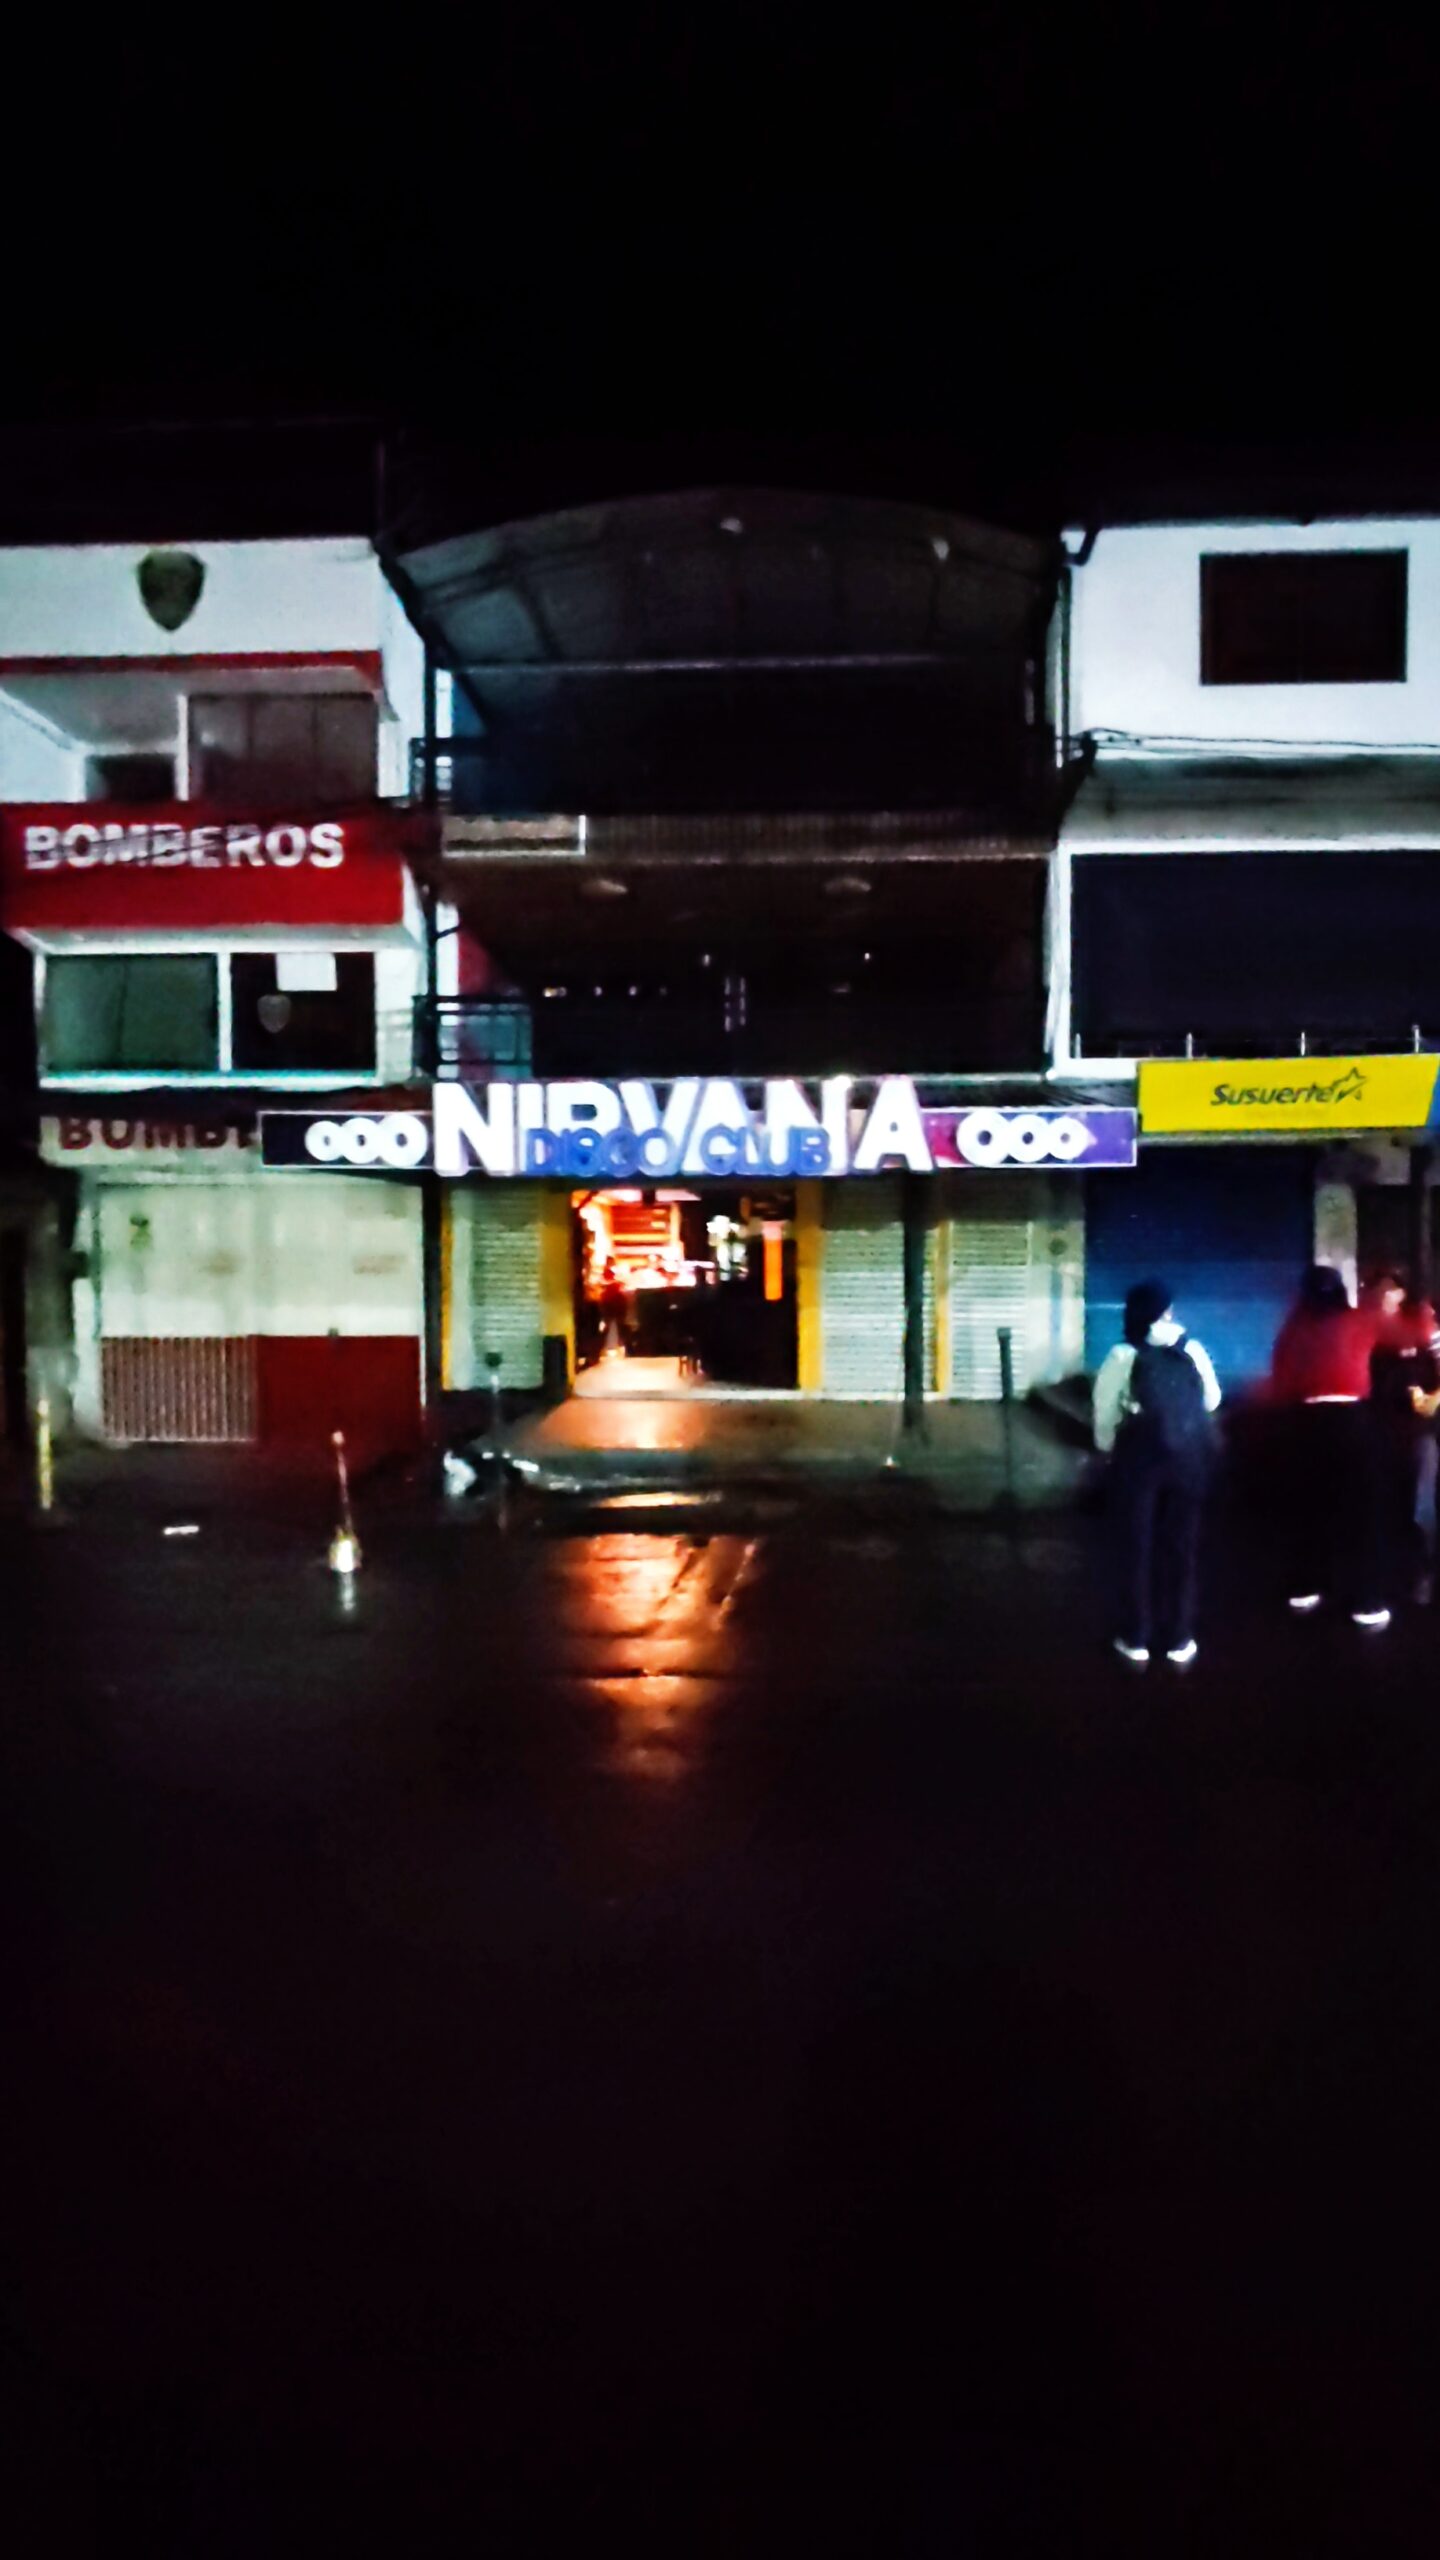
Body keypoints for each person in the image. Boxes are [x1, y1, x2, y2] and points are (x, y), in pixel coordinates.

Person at [1093, 1279, 1222, 1669]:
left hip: (1139, 1460)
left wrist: (1107, 1447)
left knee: (1137, 1547)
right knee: (1180, 1547)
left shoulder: (1123, 1354)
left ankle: (1136, 1638)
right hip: (1188, 1461)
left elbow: (1104, 1412)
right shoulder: (1191, 1349)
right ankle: (1179, 1637)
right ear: (1167, 1312)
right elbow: (1212, 1400)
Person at [1269, 1262, 1389, 1628]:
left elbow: (1281, 1379)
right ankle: (1366, 1601)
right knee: (1363, 1512)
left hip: (1306, 1422)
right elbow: (1397, 1337)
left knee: (1308, 1508)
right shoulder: (1359, 1321)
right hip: (1351, 1420)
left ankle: (1305, 1588)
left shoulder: (1294, 1326)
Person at [1366, 1269, 1440, 1606]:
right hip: (1379, 1429)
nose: (1385, 1294)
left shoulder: (1421, 1328)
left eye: (1392, 1288)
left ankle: (1420, 1574)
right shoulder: (1363, 1329)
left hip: (1417, 1431)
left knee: (1419, 1507)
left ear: (1402, 1294)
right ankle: (1388, 1577)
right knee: (1384, 1505)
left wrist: (1428, 1398)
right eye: (1380, 1288)